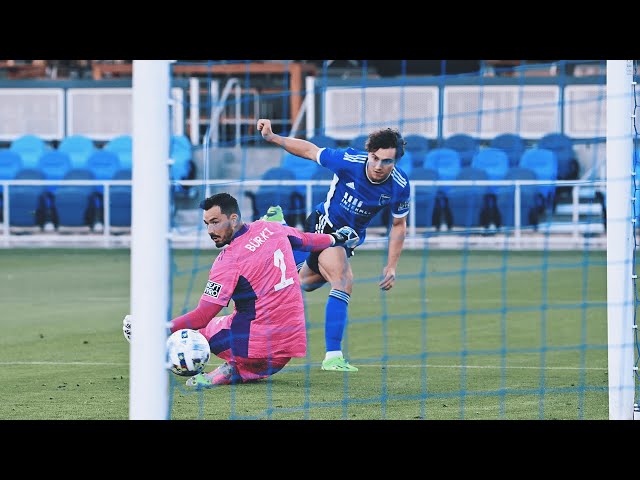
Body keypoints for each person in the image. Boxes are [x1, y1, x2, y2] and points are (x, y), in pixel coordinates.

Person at [122, 192, 359, 388]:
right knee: (231, 320)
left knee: (193, 334)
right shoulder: (272, 228)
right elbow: (307, 241)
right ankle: (235, 371)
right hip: (287, 348)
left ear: (233, 219)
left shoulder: (228, 261)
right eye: (206, 224)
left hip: (257, 348)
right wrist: (336, 238)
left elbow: (203, 315)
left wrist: (155, 330)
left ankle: (154, 343)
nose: (210, 231)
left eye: (215, 222)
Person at [256, 119, 411, 372]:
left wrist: (391, 266)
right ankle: (333, 356)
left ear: (395, 162)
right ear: (369, 153)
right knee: (343, 280)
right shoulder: (348, 161)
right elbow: (310, 151)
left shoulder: (400, 186)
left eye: (387, 161)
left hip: (347, 240)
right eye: (374, 158)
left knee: (303, 283)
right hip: (324, 226)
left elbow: (398, 225)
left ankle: (280, 229)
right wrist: (273, 137)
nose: (378, 166)